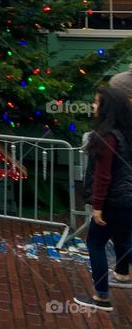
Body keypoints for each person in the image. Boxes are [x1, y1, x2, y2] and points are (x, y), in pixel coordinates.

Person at [74, 72, 132, 312]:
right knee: (122, 237)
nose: (93, 106)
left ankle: (101, 297)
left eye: (97, 102)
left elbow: (103, 175)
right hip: (128, 201)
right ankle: (122, 274)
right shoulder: (127, 134)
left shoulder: (106, 137)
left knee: (95, 243)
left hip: (113, 202)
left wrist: (97, 206)